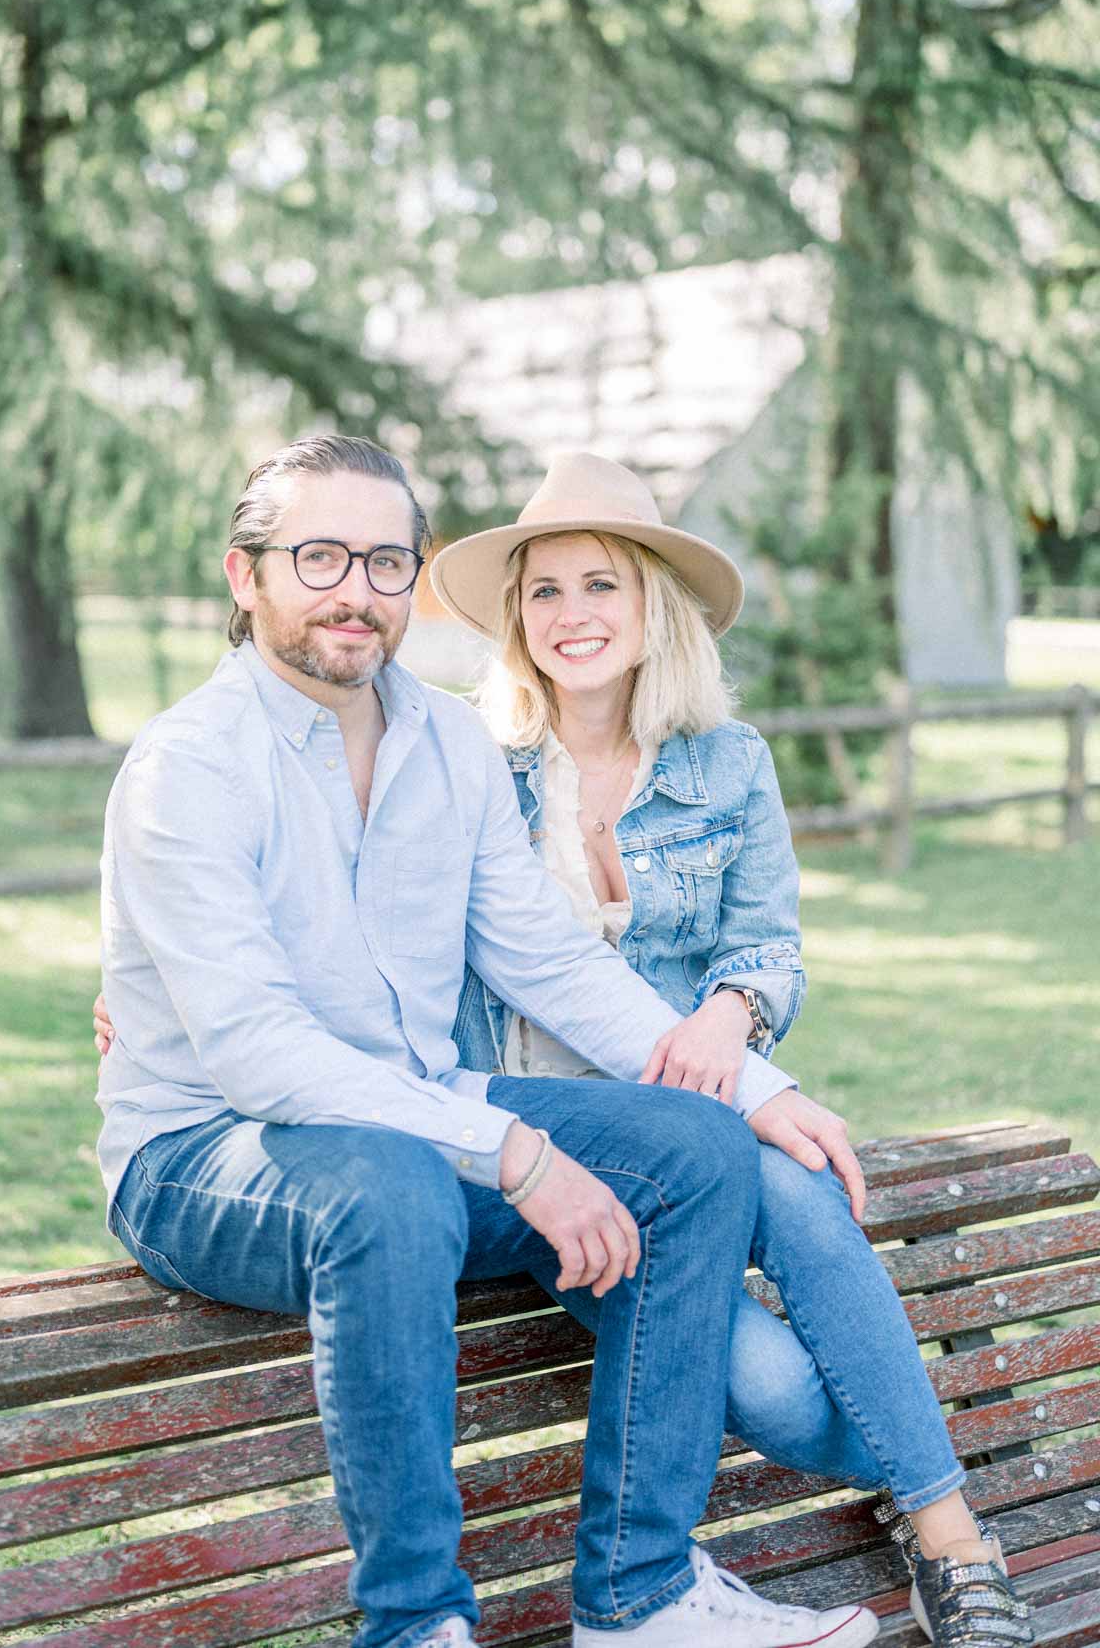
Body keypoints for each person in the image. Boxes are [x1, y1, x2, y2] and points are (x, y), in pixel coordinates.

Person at [94, 432, 885, 1648]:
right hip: (210, 1152)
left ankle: (642, 1597)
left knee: (692, 1146)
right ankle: (415, 1624)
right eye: (318, 556)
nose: (355, 589)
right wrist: (512, 1150)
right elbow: (257, 1054)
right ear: (243, 577)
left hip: (421, 1120)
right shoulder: (188, 767)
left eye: (384, 560)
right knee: (396, 1186)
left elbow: (550, 961)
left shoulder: (448, 746)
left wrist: (752, 1082)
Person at [426, 450, 1035, 1648]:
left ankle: (955, 1545)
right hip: (557, 1150)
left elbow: (766, 945)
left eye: (600, 584)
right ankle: (937, 1478)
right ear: (515, 619)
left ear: (651, 602)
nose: (571, 615)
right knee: (781, 1396)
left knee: (796, 1183)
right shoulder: (465, 769)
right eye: (543, 591)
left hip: (706, 1104)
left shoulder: (727, 763)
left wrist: (732, 1016)